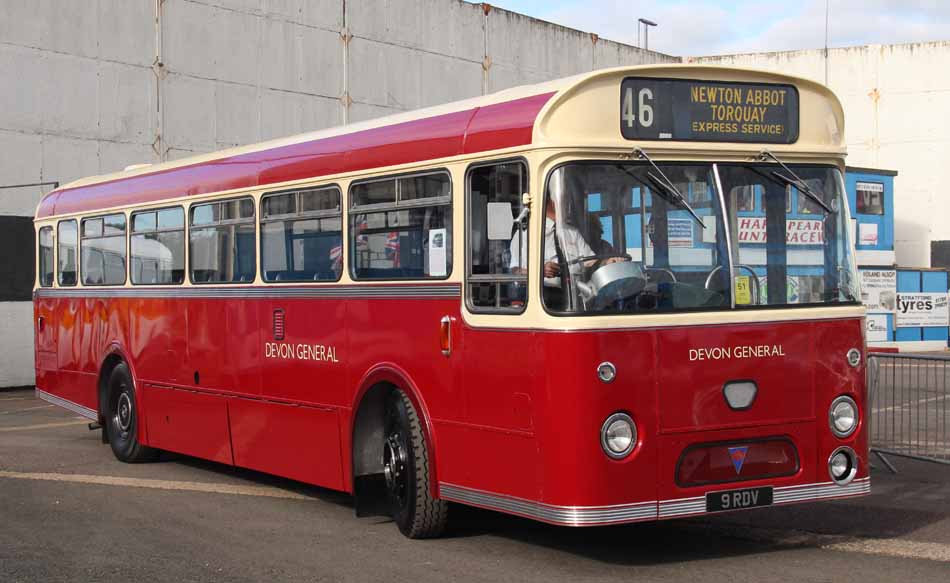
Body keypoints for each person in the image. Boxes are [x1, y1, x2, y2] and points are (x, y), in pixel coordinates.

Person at [509, 197, 625, 308]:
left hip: (574, 295)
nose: (569, 204)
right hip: (542, 298)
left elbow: (590, 261)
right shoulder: (525, 235)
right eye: (565, 199)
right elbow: (515, 272)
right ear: (551, 202)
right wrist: (541, 271)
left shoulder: (572, 232)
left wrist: (607, 262)